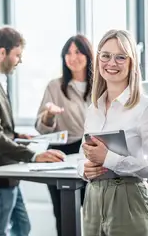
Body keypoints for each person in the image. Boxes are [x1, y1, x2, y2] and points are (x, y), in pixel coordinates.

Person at [0, 26, 65, 236]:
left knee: (22, 227)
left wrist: (19, 136)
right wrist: (35, 156)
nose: (20, 61)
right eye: (17, 55)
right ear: (2, 53)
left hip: (7, 173)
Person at [77, 29, 148, 236]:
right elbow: (81, 157)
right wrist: (84, 169)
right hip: (92, 198)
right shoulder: (93, 108)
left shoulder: (145, 107)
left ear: (131, 63)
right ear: (98, 59)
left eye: (120, 57)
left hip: (129, 199)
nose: (111, 63)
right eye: (106, 56)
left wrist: (109, 158)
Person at [35, 34, 94, 236]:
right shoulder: (55, 86)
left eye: (77, 51)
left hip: (91, 154)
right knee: (64, 216)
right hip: (61, 154)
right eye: (68, 53)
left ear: (88, 55)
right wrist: (49, 115)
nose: (72, 57)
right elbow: (41, 129)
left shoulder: (100, 86)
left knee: (94, 215)